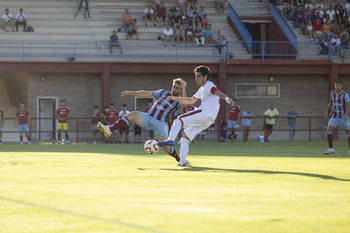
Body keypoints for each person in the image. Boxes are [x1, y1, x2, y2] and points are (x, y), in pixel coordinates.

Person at [158, 65, 233, 167]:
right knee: (185, 137)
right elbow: (191, 100)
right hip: (209, 119)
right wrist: (175, 98)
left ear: (205, 77)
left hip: (205, 113)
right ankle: (182, 162)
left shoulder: (209, 85)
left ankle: (171, 140)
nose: (196, 78)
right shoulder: (202, 88)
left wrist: (227, 98)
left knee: (179, 119)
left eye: (198, 76)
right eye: (195, 76)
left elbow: (217, 92)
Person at [98, 78, 188, 163]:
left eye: (177, 88)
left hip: (161, 123)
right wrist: (129, 93)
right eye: (174, 87)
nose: (174, 89)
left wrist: (184, 88)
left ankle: (180, 159)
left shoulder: (179, 100)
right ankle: (110, 130)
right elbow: (145, 93)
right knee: (131, 115)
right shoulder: (164, 92)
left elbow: (185, 105)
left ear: (180, 90)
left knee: (166, 147)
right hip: (148, 117)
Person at [324, 80, 350, 155]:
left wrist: (346, 114)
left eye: (339, 85)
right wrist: (327, 111)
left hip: (342, 117)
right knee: (329, 129)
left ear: (341, 86)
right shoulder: (332, 94)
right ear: (334, 86)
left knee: (348, 132)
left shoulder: (345, 94)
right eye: (336, 85)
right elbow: (331, 102)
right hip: (335, 116)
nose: (337, 86)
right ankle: (331, 149)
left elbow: (348, 104)